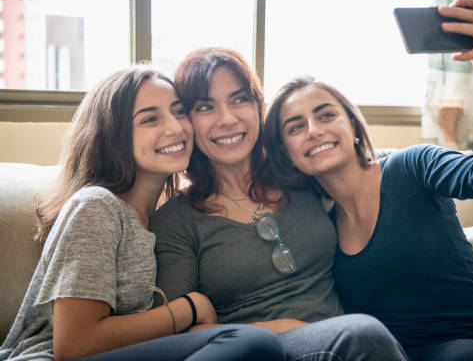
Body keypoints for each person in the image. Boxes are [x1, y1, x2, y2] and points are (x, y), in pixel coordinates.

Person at [263, 0, 473, 360]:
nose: (313, 130)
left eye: (326, 115)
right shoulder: (316, 224)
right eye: (296, 127)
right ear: (286, 153)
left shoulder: (412, 167)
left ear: (354, 128)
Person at [0, 66, 284, 361]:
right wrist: (190, 307)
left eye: (179, 112)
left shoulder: (163, 220)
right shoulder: (97, 207)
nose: (175, 128)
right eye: (150, 119)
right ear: (113, 136)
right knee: (247, 341)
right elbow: (74, 346)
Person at [151, 47, 409, 360]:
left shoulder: (300, 177)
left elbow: (361, 165)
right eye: (206, 107)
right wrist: (279, 328)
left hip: (348, 346)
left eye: (239, 99)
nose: (227, 119)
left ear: (257, 106)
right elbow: (177, 334)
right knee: (363, 332)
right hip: (261, 351)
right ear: (188, 122)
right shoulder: (177, 219)